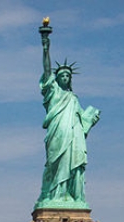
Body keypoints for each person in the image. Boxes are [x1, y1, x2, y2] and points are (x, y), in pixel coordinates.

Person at [36, 26, 100, 209]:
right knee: (55, 163)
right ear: (57, 79)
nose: (64, 77)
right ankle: (55, 194)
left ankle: (70, 195)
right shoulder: (53, 92)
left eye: (67, 75)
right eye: (61, 75)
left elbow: (83, 121)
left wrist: (90, 119)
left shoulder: (73, 98)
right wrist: (45, 46)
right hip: (57, 133)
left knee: (72, 163)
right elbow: (47, 70)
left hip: (73, 136)